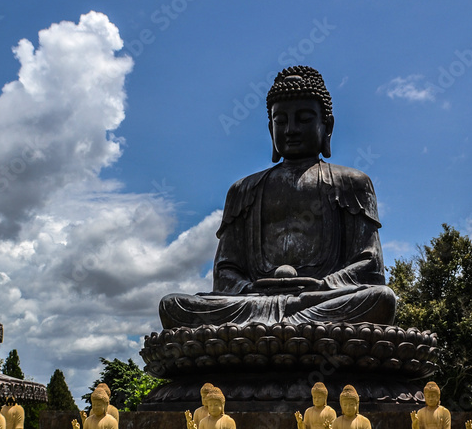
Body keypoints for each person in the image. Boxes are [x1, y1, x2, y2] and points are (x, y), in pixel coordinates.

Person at [159, 66, 396, 328]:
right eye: (281, 121)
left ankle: (267, 330)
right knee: (173, 305)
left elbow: (371, 265)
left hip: (320, 299)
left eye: (303, 119)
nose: (291, 129)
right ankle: (286, 326)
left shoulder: (351, 183)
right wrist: (249, 288)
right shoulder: (243, 190)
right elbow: (225, 270)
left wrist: (323, 285)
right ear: (271, 128)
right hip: (254, 302)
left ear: (327, 126)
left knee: (380, 299)